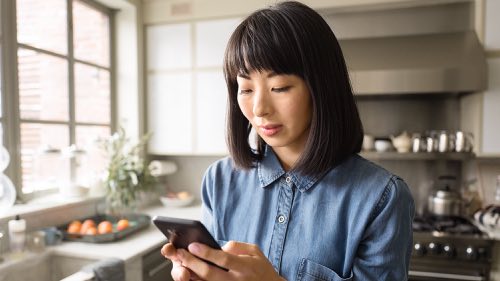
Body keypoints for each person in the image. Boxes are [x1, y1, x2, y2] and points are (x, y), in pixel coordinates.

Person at [161, 1, 415, 280]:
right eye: (245, 89)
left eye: (279, 87)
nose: (259, 109)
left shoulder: (381, 198)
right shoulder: (219, 181)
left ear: (321, 86)